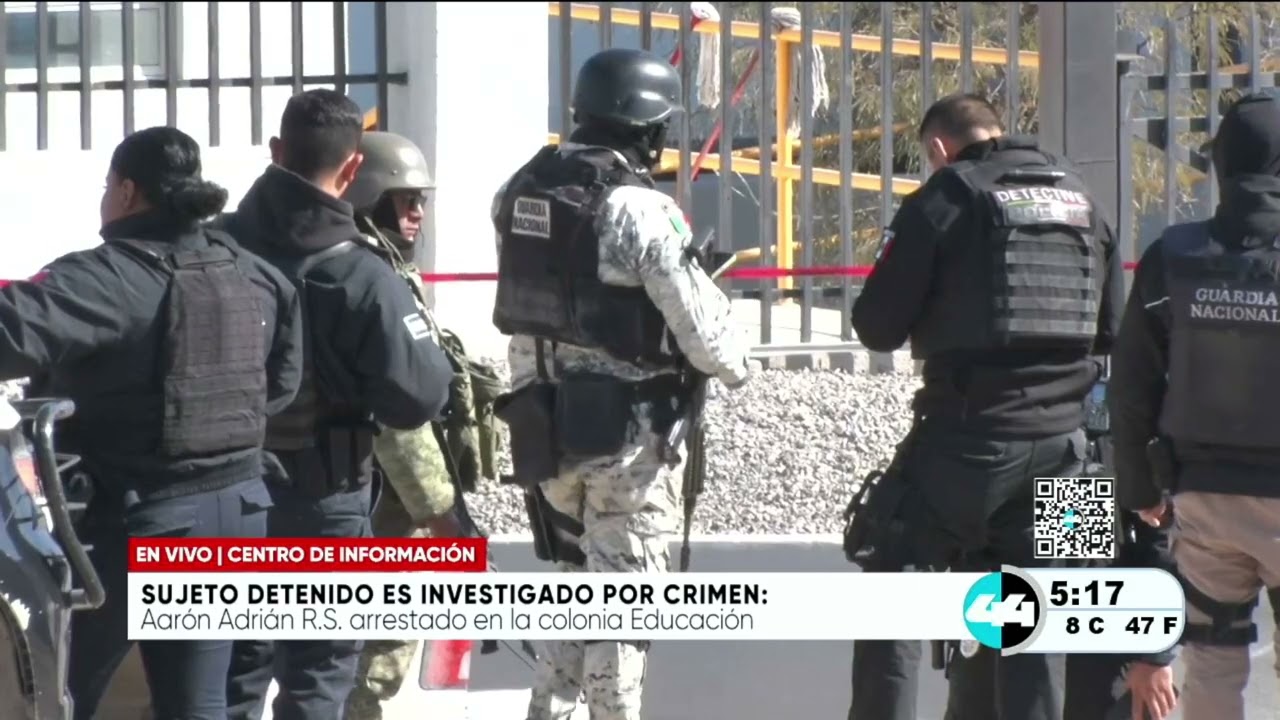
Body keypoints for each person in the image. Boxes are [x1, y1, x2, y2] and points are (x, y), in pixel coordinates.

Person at [0, 125, 303, 719]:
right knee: (198, 704)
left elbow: (11, 331)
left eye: (107, 185)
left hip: (137, 524)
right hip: (237, 514)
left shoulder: (108, 278)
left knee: (59, 696)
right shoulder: (254, 274)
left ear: (128, 192)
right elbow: (281, 386)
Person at [490, 46, 752, 720]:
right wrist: (737, 359)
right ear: (649, 130)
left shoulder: (517, 189)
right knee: (623, 608)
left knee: (574, 590)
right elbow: (708, 339)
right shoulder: (638, 209)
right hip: (627, 444)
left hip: (544, 430)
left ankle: (548, 711)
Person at [847, 92, 1125, 720]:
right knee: (1042, 624)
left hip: (966, 440)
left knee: (893, 583)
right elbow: (1112, 331)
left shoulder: (947, 195)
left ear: (939, 148)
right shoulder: (1085, 199)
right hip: (1073, 448)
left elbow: (876, 327)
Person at [221, 89, 455, 720]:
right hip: (324, 503)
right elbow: (419, 397)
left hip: (225, 497)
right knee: (318, 680)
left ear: (276, 151)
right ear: (353, 168)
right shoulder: (365, 275)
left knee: (231, 676)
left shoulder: (211, 249)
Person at [1110, 89, 1280, 720]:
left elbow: (1131, 385)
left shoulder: (1171, 258)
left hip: (1200, 497)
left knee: (1211, 664)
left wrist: (1138, 488)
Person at [341, 130, 502, 719]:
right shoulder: (369, 275)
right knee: (374, 656)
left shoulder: (388, 270)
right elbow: (397, 414)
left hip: (392, 497)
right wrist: (440, 512)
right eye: (403, 200)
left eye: (420, 201)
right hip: (384, 498)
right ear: (368, 198)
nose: (416, 213)